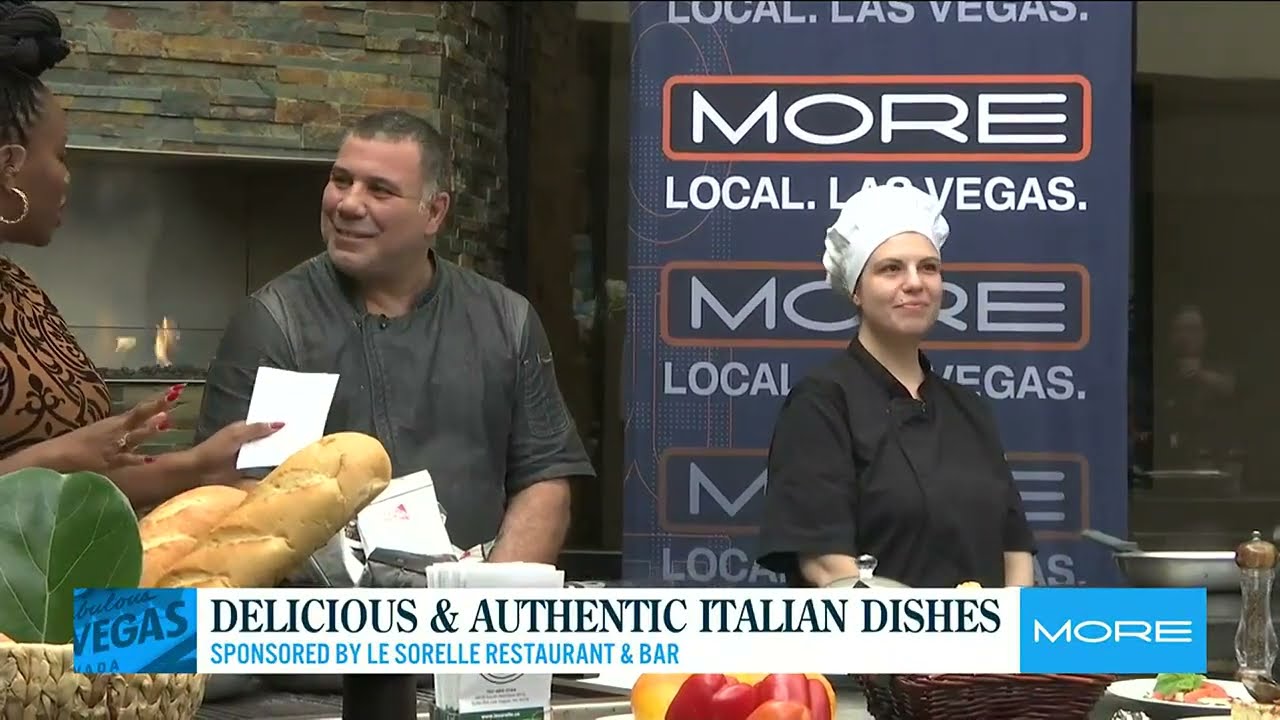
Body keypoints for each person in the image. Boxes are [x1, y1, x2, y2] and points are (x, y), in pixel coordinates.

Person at [194, 109, 596, 565]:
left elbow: (544, 481)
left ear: (434, 212)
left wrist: (486, 596)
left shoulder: (505, 319)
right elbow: (244, 496)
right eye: (341, 180)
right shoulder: (278, 322)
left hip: (473, 595)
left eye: (379, 189)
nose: (348, 204)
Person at [0, 1, 280, 505]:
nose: (67, 176)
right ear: (8, 165)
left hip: (71, 553)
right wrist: (53, 459)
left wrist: (196, 466)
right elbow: (61, 467)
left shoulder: (20, 290)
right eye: (60, 155)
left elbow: (83, 487)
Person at [756, 184, 1036, 589]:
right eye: (891, 269)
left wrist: (1007, 621)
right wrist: (925, 625)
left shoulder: (969, 408)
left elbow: (1015, 549)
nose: (915, 282)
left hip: (987, 631)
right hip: (869, 630)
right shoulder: (821, 404)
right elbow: (825, 564)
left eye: (928, 267)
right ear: (856, 290)